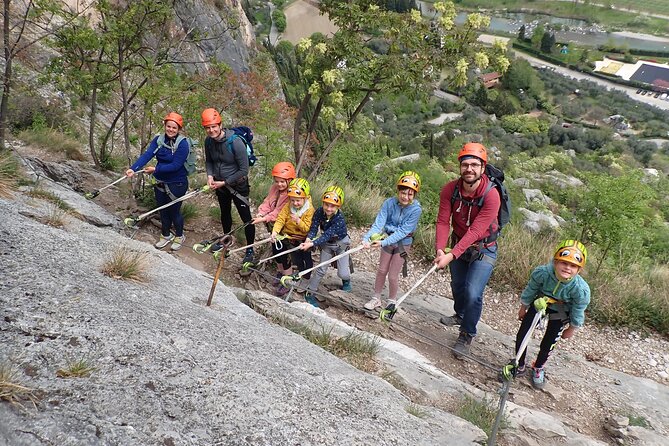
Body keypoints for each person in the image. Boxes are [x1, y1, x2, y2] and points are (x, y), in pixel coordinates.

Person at [434, 142, 501, 358]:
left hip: (484, 248)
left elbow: (476, 231)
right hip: (458, 243)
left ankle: (466, 333)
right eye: (465, 164)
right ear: (460, 167)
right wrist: (440, 249)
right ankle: (460, 314)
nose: (469, 169)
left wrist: (451, 254)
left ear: (483, 168)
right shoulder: (450, 190)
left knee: (473, 292)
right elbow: (443, 221)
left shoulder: (492, 195)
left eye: (474, 164)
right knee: (457, 286)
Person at [514, 239, 591, 389]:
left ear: (579, 269)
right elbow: (531, 289)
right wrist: (523, 307)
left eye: (573, 265)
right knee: (523, 333)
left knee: (549, 342)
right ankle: (519, 363)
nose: (568, 268)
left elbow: (578, 309)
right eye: (564, 263)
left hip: (561, 311)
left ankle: (538, 367)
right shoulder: (543, 273)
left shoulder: (580, 289)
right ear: (555, 262)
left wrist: (572, 328)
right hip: (540, 303)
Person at [126, 112, 190, 251]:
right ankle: (165, 235)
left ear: (179, 129)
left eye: (174, 127)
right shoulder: (159, 140)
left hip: (177, 183)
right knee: (162, 210)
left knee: (174, 211)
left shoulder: (183, 144)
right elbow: (148, 154)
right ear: (165, 126)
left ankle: (179, 236)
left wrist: (155, 169)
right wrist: (133, 169)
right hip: (161, 181)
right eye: (169, 126)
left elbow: (176, 165)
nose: (171, 130)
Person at [201, 108, 255, 264]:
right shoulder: (208, 141)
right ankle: (226, 239)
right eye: (208, 127)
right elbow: (209, 161)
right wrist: (210, 176)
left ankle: (249, 250)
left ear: (220, 125)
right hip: (220, 185)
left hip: (238, 185)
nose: (211, 130)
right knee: (225, 213)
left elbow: (244, 170)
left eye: (214, 126)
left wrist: (224, 182)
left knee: (246, 219)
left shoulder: (235, 142)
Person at [362, 171, 422, 311]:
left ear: (414, 195)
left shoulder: (416, 210)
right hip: (387, 239)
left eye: (410, 194)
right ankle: (376, 298)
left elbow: (403, 232)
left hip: (403, 243)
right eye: (403, 193)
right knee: (382, 270)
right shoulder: (389, 203)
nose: (405, 197)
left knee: (393, 275)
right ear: (398, 191)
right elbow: (378, 224)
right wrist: (366, 238)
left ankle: (392, 301)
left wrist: (383, 242)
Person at [299, 186, 351, 306]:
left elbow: (327, 235)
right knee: (321, 269)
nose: (328, 208)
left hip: (341, 243)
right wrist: (308, 239)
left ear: (338, 206)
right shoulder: (319, 212)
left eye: (332, 206)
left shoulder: (339, 219)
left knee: (342, 273)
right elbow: (313, 227)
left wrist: (312, 243)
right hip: (327, 245)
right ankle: (310, 292)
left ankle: (346, 280)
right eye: (326, 204)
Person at [271, 178, 315, 296]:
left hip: (303, 239)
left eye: (298, 200)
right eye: (293, 200)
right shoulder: (288, 206)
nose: (295, 203)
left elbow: (307, 228)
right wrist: (275, 231)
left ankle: (305, 277)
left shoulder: (309, 210)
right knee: (295, 259)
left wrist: (298, 221)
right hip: (289, 236)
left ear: (305, 198)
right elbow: (281, 219)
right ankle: (290, 275)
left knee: (306, 259)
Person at [252, 162, 296, 229]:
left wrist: (264, 218)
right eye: (276, 181)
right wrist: (261, 213)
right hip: (273, 220)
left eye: (282, 182)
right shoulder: (275, 188)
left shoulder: (291, 194)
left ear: (289, 180)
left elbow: (280, 211)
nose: (279, 184)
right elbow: (268, 201)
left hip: (286, 225)